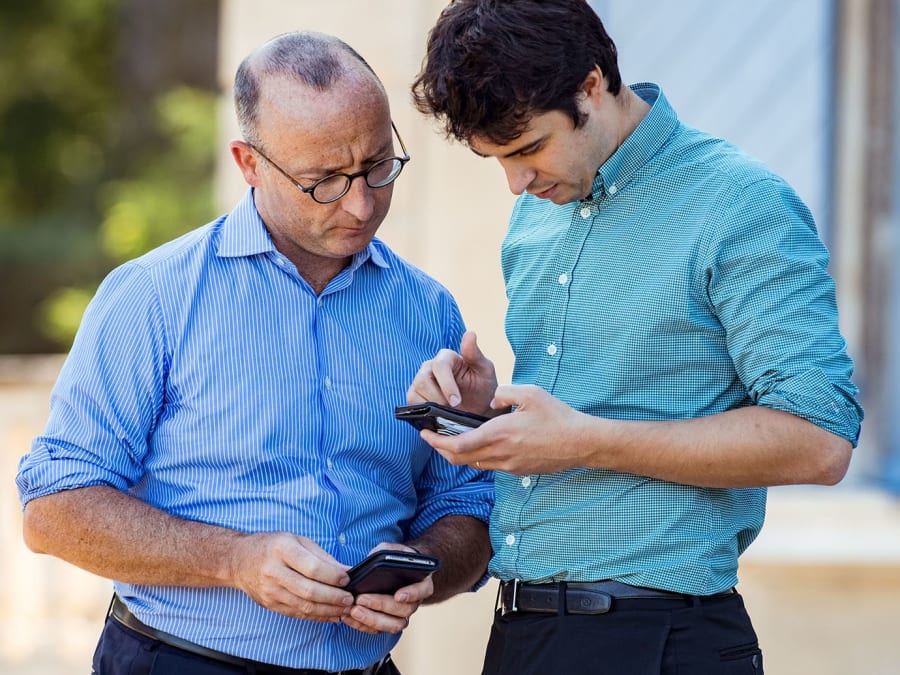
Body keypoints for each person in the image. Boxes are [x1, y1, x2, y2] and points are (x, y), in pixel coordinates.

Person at [16, 31, 493, 675]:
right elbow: (54, 507)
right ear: (249, 164)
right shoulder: (153, 297)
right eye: (323, 180)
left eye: (378, 166)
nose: (361, 203)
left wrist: (426, 572)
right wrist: (234, 560)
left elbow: (465, 503)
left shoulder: (429, 311)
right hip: (184, 661)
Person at [408, 2, 863, 674]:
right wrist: (485, 405)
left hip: (660, 638)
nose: (517, 182)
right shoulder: (534, 220)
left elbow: (822, 441)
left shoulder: (740, 204)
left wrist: (585, 439)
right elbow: (591, 402)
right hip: (522, 629)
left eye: (530, 147)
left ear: (592, 85)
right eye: (495, 159)